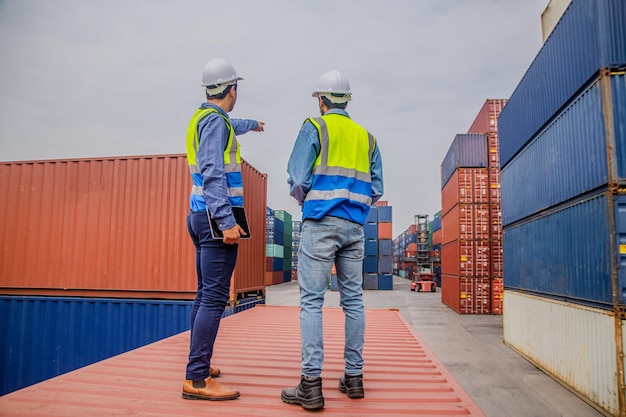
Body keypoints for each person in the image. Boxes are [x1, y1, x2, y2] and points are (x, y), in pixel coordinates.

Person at [282, 70, 384, 410]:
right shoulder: (367, 138)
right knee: (353, 300)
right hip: (355, 227)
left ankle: (311, 385)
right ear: (348, 100)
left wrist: (307, 199)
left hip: (320, 222)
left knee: (312, 301)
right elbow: (377, 188)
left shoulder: (315, 126)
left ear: (322, 100)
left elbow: (297, 176)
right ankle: (353, 378)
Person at [182, 58, 264, 401]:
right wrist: (227, 221)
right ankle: (197, 379)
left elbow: (232, 123)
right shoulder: (216, 124)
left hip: (197, 215)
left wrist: (254, 124)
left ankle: (200, 364)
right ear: (234, 89)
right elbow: (214, 171)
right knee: (214, 298)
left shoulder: (205, 118)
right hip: (217, 219)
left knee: (204, 295)